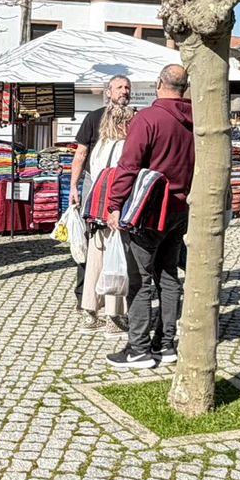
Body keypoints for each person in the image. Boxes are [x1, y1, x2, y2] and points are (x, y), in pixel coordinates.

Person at [105, 65, 194, 370]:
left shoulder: (148, 118)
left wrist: (114, 203)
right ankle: (165, 343)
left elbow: (128, 165)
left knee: (140, 279)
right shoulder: (197, 121)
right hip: (180, 207)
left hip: (149, 210)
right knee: (168, 275)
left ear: (158, 84)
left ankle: (138, 348)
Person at [79, 93, 137, 333]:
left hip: (96, 207)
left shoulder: (100, 145)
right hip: (116, 206)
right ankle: (114, 315)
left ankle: (90, 311)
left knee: (96, 258)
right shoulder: (127, 146)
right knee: (117, 260)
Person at [71, 76, 131, 304]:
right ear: (108, 92)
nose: (124, 91)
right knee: (91, 237)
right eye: (119, 88)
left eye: (127, 88)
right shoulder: (94, 117)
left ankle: (115, 291)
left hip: (123, 185)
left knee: (118, 236)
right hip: (93, 183)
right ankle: (84, 293)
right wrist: (75, 186)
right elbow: (80, 154)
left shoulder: (134, 119)